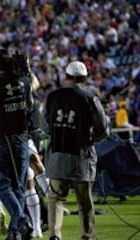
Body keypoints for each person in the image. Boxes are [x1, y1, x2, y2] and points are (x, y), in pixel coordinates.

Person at [44, 61, 110, 240]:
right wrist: (91, 140)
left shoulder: (52, 96)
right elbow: (103, 129)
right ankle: (87, 236)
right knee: (84, 202)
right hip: (81, 156)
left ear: (66, 76)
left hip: (57, 154)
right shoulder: (90, 97)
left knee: (56, 198)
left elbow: (45, 126)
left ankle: (55, 235)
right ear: (84, 77)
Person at [0, 49, 34, 240]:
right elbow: (30, 105)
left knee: (2, 186)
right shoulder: (25, 82)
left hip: (2, 139)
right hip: (22, 139)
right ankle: (13, 233)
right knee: (18, 186)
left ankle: (21, 220)